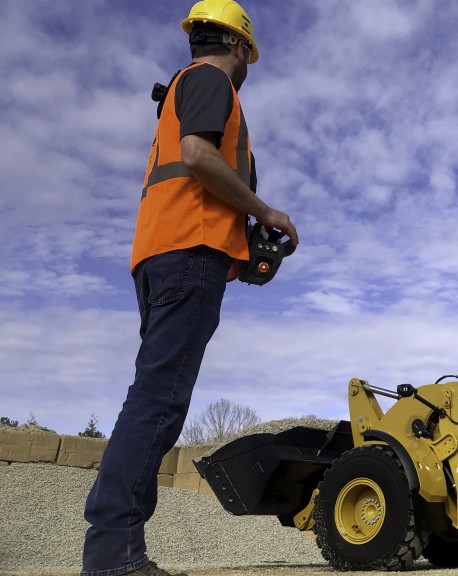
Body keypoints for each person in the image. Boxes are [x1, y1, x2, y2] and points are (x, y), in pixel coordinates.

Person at [81, 2, 297, 576]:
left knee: (154, 392)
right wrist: (265, 211)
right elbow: (198, 158)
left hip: (167, 254)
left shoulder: (184, 86)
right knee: (160, 397)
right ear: (238, 48)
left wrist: (241, 252)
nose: (247, 64)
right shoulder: (210, 81)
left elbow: (194, 184)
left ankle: (111, 545)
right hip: (185, 255)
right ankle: (113, 552)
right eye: (248, 55)